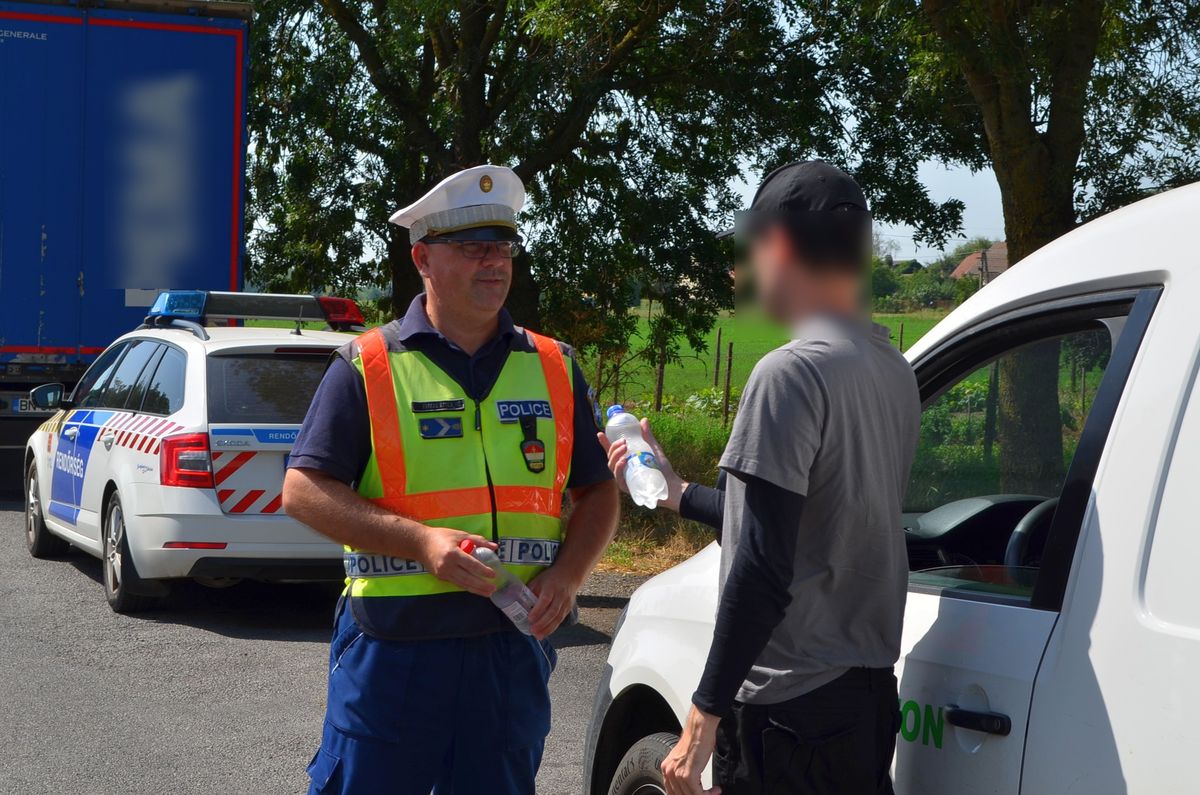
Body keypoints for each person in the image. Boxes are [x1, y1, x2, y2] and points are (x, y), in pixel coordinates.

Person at [283, 164, 619, 795]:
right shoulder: (368, 365)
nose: (494, 262)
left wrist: (569, 576)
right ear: (423, 260)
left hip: (509, 651)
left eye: (503, 247)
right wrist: (420, 543)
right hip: (393, 650)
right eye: (473, 248)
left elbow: (598, 491)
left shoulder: (554, 366)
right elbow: (303, 490)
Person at [601, 161, 920, 795]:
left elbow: (764, 569)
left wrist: (702, 718)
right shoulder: (891, 369)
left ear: (779, 247)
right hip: (862, 705)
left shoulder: (790, 374)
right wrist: (677, 495)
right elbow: (806, 529)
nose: (739, 272)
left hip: (790, 716)